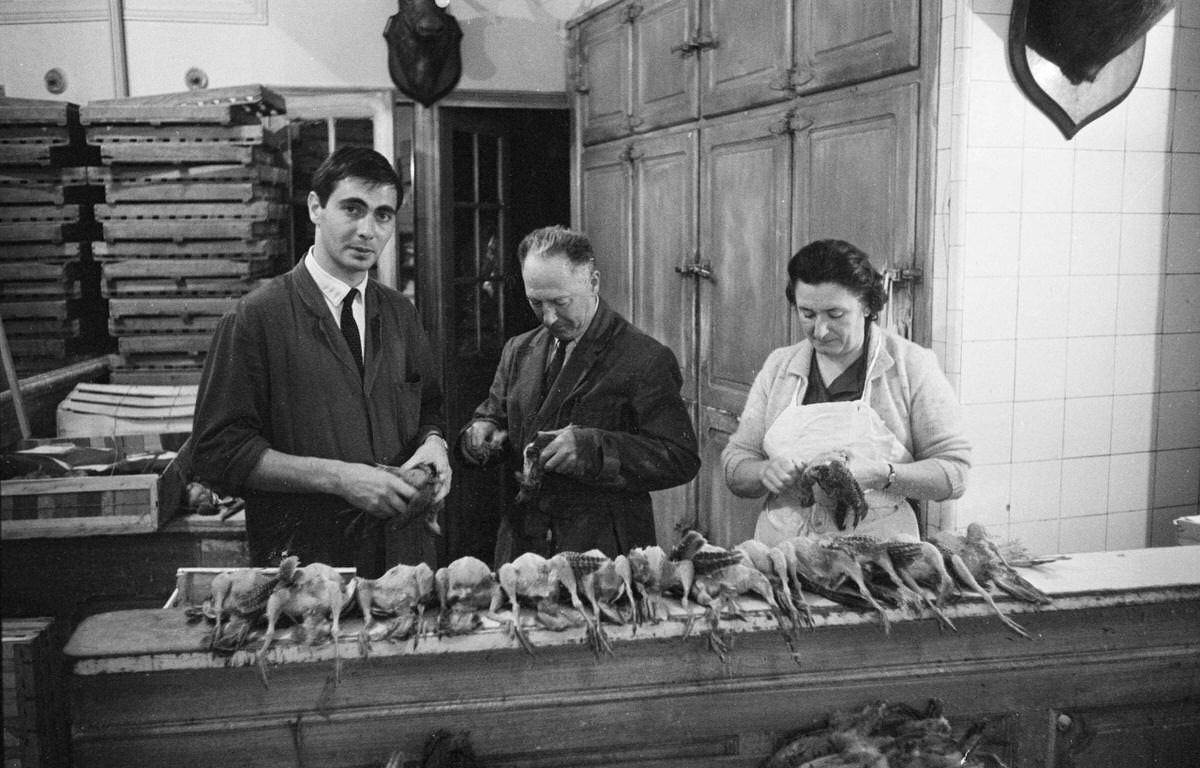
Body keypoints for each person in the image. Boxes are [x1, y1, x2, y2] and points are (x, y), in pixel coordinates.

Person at [189, 146, 450, 578]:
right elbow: (217, 451)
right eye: (353, 209)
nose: (368, 230)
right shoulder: (256, 317)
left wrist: (434, 445)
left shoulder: (400, 312)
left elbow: (430, 407)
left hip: (405, 558)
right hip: (309, 565)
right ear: (316, 207)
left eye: (383, 215)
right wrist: (340, 478)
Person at [459, 225, 700, 561]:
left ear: (594, 282)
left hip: (603, 554)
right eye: (536, 303)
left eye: (560, 302)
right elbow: (493, 417)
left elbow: (681, 458)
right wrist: (478, 436)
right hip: (522, 547)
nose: (548, 318)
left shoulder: (645, 357)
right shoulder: (518, 349)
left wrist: (594, 449)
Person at [722, 239, 970, 544]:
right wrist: (764, 471)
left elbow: (953, 474)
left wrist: (883, 474)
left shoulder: (911, 366)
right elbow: (736, 464)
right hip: (786, 547)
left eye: (835, 314)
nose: (820, 330)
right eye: (808, 314)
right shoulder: (780, 367)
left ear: (866, 304)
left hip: (879, 550)